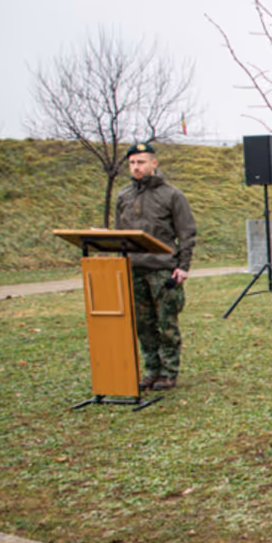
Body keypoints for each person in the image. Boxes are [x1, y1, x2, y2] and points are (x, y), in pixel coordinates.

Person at [114, 142, 197, 392]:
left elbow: (187, 232)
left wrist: (183, 266)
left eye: (140, 162)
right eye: (132, 163)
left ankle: (169, 371)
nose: (136, 167)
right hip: (134, 268)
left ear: (153, 164)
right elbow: (119, 232)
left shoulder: (172, 195)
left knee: (166, 322)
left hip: (163, 269)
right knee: (143, 324)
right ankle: (151, 370)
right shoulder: (123, 196)